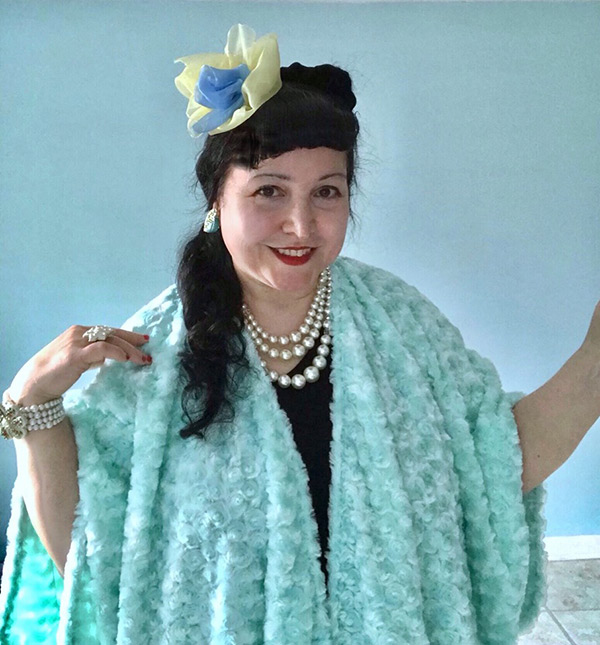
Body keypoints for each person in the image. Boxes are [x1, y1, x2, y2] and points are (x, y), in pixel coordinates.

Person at [0, 23, 598, 645]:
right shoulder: (155, 356)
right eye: (269, 191)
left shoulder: (401, 326)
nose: (301, 224)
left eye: (327, 193)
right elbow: (90, 556)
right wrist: (28, 400)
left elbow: (490, 464)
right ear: (215, 202)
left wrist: (595, 358)